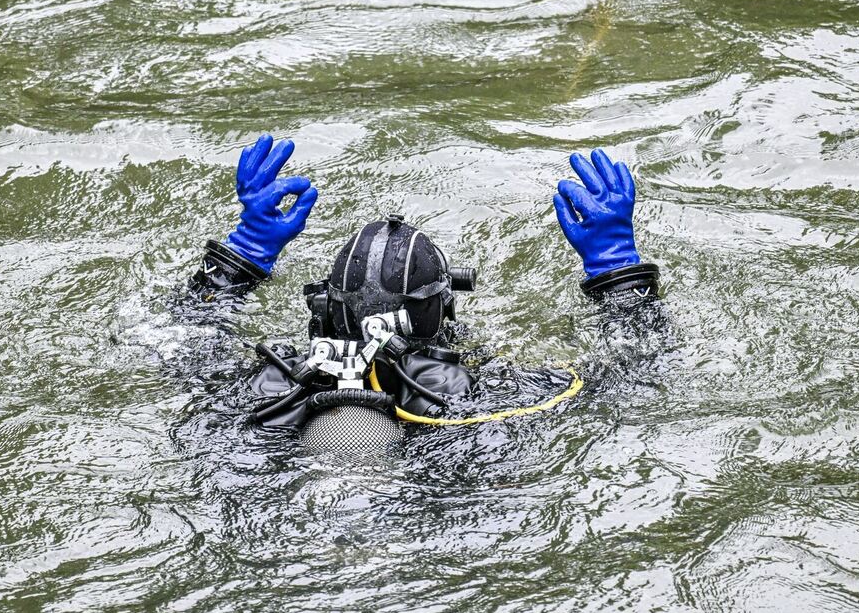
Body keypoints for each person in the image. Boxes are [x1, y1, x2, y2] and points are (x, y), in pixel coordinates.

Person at [182, 134, 665, 450]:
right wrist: (616, 265)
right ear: (444, 311)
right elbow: (637, 375)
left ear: (324, 307)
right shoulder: (484, 396)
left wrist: (243, 250)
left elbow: (181, 337)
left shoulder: (267, 388)